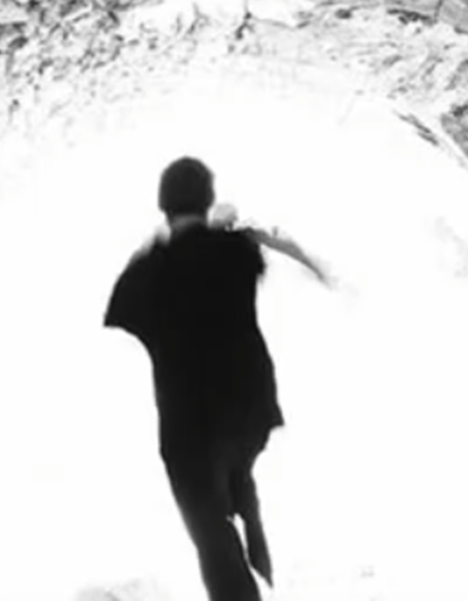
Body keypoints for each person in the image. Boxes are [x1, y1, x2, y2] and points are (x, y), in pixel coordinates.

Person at [103, 156, 335, 601]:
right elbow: (261, 241)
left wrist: (152, 246)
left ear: (162, 204)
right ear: (207, 199)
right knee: (234, 469)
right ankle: (247, 509)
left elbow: (118, 311)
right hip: (250, 410)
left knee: (210, 533)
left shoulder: (149, 271)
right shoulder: (234, 251)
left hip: (188, 423)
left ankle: (244, 542)